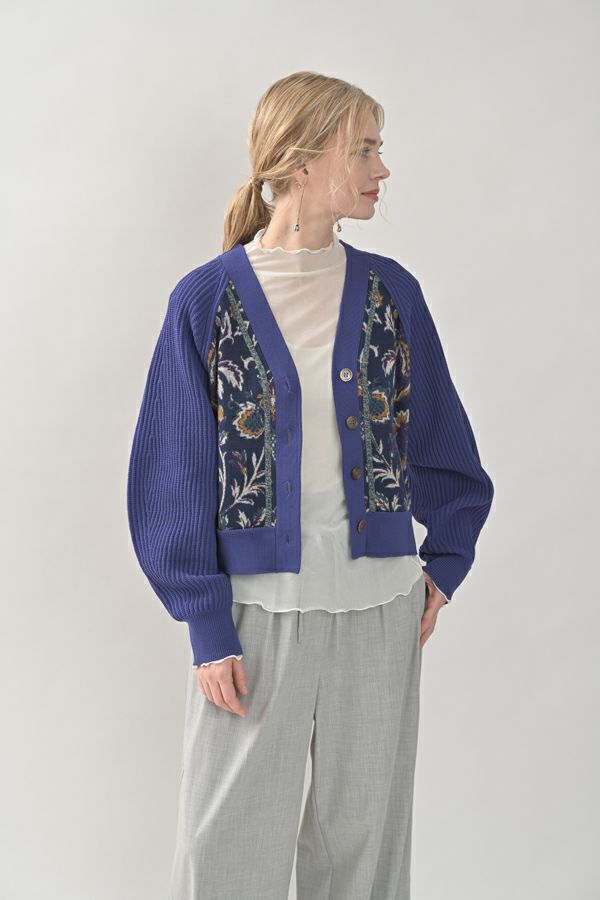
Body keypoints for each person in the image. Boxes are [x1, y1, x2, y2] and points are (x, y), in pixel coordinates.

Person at [126, 70, 494, 900]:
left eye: (378, 150)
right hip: (254, 618)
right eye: (363, 150)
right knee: (227, 844)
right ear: (301, 160)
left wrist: (445, 562)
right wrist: (205, 622)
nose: (381, 169)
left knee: (364, 850)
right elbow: (172, 472)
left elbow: (442, 443)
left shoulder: (393, 294)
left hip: (380, 609)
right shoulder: (207, 300)